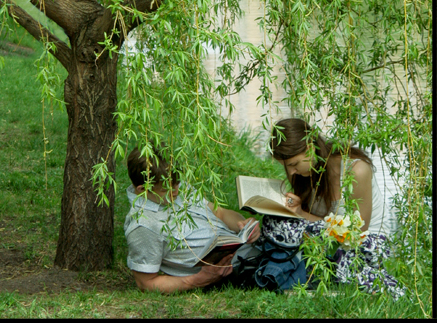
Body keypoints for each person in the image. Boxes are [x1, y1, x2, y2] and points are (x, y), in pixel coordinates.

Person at [266, 118, 404, 297]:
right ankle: (299, 272)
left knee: (346, 258)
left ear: (310, 148)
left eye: (293, 164)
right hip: (328, 239)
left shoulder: (356, 170)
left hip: (364, 242)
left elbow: (356, 232)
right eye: (287, 167)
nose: (291, 172)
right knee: (275, 222)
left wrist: (303, 216)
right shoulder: (304, 173)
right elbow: (313, 224)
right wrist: (297, 210)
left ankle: (307, 274)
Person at [124, 145, 261, 293]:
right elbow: (146, 283)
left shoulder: (175, 186)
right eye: (166, 189)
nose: (176, 191)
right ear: (143, 189)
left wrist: (243, 225)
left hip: (246, 247)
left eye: (177, 184)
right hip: (234, 270)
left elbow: (219, 213)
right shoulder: (143, 225)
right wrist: (197, 280)